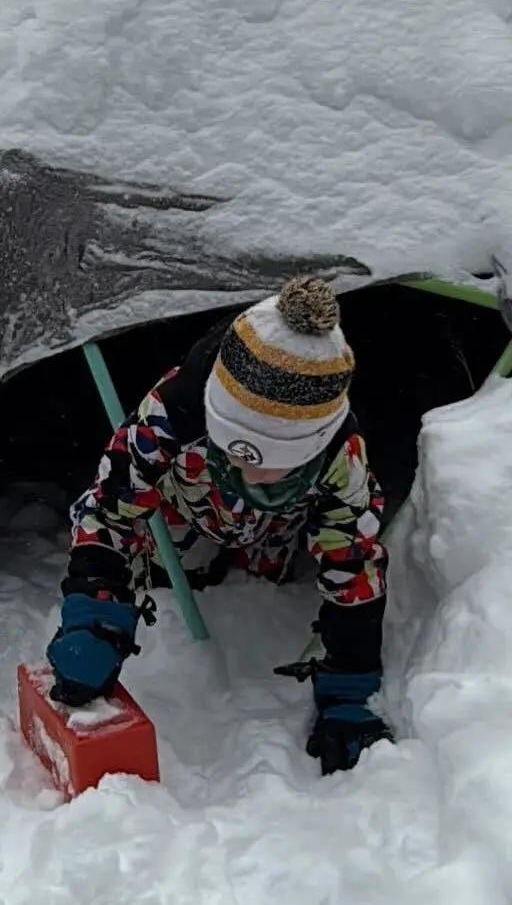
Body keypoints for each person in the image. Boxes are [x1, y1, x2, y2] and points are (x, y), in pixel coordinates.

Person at [45, 275, 393, 775]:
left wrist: (351, 690)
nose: (252, 471)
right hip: (188, 503)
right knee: (176, 572)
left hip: (280, 522)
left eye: (275, 462)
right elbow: (108, 508)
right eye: (238, 452)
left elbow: (353, 563)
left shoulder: (343, 457)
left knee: (267, 576)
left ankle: (259, 559)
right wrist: (94, 614)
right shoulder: (172, 411)